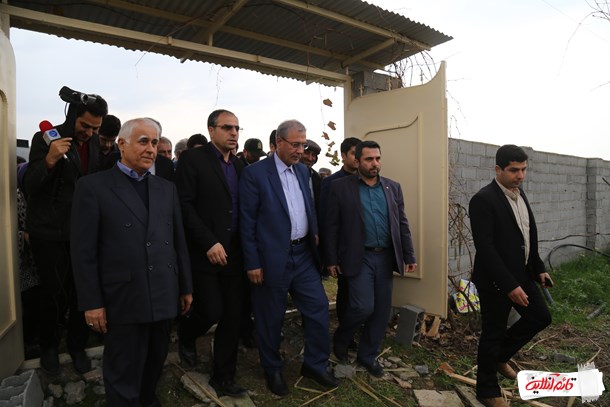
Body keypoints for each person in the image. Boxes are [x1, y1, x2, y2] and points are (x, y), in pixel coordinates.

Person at [71, 117, 193, 406]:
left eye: (154, 142)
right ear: (122, 144)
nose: (151, 148)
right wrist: (92, 302)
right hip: (123, 295)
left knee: (155, 360)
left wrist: (185, 286)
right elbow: (83, 251)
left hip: (163, 291)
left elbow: (178, 241)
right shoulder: (93, 187)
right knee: (123, 367)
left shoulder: (166, 188)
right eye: (143, 141)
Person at [239, 119, 338, 396]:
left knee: (318, 308)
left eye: (303, 145)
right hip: (271, 258)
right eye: (295, 144)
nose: (300, 150)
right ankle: (272, 368)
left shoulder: (304, 172)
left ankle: (315, 365)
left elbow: (308, 208)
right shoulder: (255, 174)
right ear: (278, 142)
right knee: (270, 316)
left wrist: (313, 234)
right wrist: (253, 262)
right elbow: (246, 222)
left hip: (303, 255)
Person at [24, 87, 108, 374]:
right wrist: (49, 160)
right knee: (53, 292)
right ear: (72, 116)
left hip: (82, 232)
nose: (90, 133)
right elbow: (30, 185)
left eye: (95, 128)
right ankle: (49, 346)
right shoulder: (45, 139)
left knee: (81, 291)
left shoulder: (93, 144)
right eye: (85, 125)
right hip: (47, 232)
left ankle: (77, 344)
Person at [324, 140, 417, 378]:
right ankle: (341, 339)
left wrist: (409, 254)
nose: (374, 163)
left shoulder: (392, 187)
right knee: (362, 306)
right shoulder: (340, 187)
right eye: (368, 159)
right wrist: (331, 259)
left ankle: (368, 355)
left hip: (385, 256)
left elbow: (402, 223)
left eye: (377, 158)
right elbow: (331, 226)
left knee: (381, 310)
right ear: (357, 161)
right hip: (358, 256)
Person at [469, 144, 552, 407]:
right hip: (496, 281)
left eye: (524, 169)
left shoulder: (519, 193)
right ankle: (487, 390)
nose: (520, 175)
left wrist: (538, 267)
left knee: (540, 317)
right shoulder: (483, 200)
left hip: (522, 275)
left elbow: (528, 236)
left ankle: (500, 356)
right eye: (514, 170)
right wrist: (508, 285)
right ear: (498, 169)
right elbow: (486, 248)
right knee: (492, 333)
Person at [174, 110, 248, 397]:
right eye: (227, 127)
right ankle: (187, 334)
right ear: (211, 130)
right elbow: (184, 205)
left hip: (235, 253)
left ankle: (223, 377)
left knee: (232, 315)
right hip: (204, 252)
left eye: (237, 128)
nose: (234, 133)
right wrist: (208, 242)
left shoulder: (239, 165)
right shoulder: (193, 160)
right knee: (211, 310)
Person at [319, 136, 361, 324]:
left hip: (364, 247)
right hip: (344, 250)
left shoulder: (366, 180)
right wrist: (331, 257)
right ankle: (345, 331)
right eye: (353, 153)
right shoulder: (331, 183)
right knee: (346, 292)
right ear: (343, 156)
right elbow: (327, 222)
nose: (357, 157)